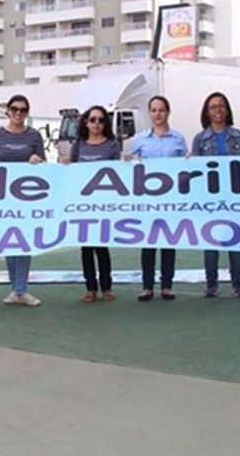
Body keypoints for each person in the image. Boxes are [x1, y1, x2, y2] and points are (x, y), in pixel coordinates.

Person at [0, 94, 45, 307]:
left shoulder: (34, 136)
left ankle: (22, 289)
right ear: (8, 111)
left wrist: (36, 160)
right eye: (14, 109)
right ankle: (15, 289)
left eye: (22, 110)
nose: (18, 113)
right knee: (9, 242)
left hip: (28, 197)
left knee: (24, 242)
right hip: (4, 197)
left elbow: (44, 164)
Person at [128, 95, 187, 301]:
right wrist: (127, 159)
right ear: (149, 113)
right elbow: (130, 165)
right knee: (148, 242)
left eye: (161, 110)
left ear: (167, 112)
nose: (158, 114)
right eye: (154, 110)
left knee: (169, 241)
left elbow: (185, 167)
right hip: (148, 199)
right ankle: (147, 286)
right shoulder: (140, 139)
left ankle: (167, 285)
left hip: (171, 198)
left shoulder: (178, 139)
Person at [61, 106, 122, 303]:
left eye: (101, 120)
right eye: (93, 119)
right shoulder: (78, 145)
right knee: (86, 248)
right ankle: (90, 288)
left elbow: (118, 174)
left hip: (104, 204)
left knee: (102, 247)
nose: (96, 124)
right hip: (83, 204)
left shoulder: (112, 145)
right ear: (86, 122)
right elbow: (73, 173)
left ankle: (106, 287)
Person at [191, 92, 240, 298]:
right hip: (210, 197)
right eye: (213, 107)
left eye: (221, 106)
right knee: (210, 241)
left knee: (236, 241)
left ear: (227, 110)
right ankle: (211, 284)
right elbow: (195, 172)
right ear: (207, 112)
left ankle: (238, 284)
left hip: (233, 195)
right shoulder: (200, 139)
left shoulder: (238, 136)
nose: (217, 110)